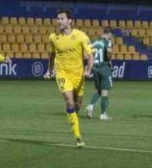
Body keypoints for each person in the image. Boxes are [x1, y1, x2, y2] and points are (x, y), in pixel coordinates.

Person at [44, 9, 93, 148]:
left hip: (78, 75)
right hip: (62, 74)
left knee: (77, 105)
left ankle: (73, 117)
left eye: (62, 18)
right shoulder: (53, 37)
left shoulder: (80, 36)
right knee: (70, 103)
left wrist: (89, 70)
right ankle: (78, 137)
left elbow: (90, 55)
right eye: (57, 18)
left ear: (69, 20)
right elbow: (52, 55)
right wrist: (50, 70)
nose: (59, 21)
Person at [86, 27, 114, 120]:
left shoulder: (94, 41)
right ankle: (103, 114)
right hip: (104, 67)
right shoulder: (107, 41)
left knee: (98, 90)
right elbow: (109, 52)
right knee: (105, 92)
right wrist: (109, 60)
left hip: (95, 68)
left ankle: (90, 105)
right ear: (109, 34)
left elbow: (87, 54)